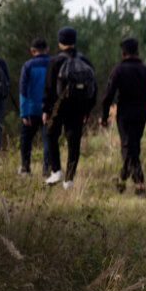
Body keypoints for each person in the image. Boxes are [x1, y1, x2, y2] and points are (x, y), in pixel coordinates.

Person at [42, 27, 96, 189]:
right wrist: (88, 109)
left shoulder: (55, 61)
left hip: (58, 106)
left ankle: (56, 170)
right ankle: (70, 180)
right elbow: (93, 88)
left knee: (51, 135)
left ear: (60, 42)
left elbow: (49, 87)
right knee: (74, 141)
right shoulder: (85, 61)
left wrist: (46, 109)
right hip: (78, 108)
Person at [99, 37, 146, 196]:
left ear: (123, 53)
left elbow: (108, 95)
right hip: (141, 113)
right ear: (138, 51)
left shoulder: (119, 70)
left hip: (124, 114)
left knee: (128, 147)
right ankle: (122, 180)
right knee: (133, 146)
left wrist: (104, 116)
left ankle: (140, 186)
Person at [18, 38, 53, 174]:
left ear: (32, 50)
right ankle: (47, 169)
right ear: (47, 49)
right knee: (48, 140)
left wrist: (24, 112)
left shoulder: (28, 66)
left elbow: (23, 90)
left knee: (26, 139)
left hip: (31, 109)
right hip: (49, 110)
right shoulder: (53, 64)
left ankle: (25, 167)